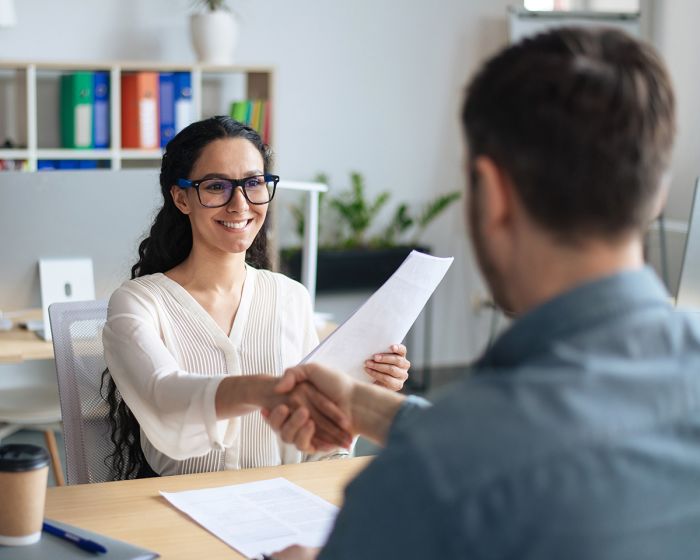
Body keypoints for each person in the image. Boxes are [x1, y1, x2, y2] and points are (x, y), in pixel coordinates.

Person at [264, 27, 700, 559]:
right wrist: (361, 404)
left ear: (491, 193)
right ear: (655, 192)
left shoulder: (434, 475)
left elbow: (487, 450)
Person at [101, 116, 411, 478]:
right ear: (182, 197)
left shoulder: (290, 297)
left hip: (281, 505)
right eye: (217, 186)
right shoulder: (138, 302)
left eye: (253, 183)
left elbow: (317, 451)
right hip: (181, 507)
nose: (240, 204)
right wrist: (264, 390)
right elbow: (164, 398)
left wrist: (362, 389)